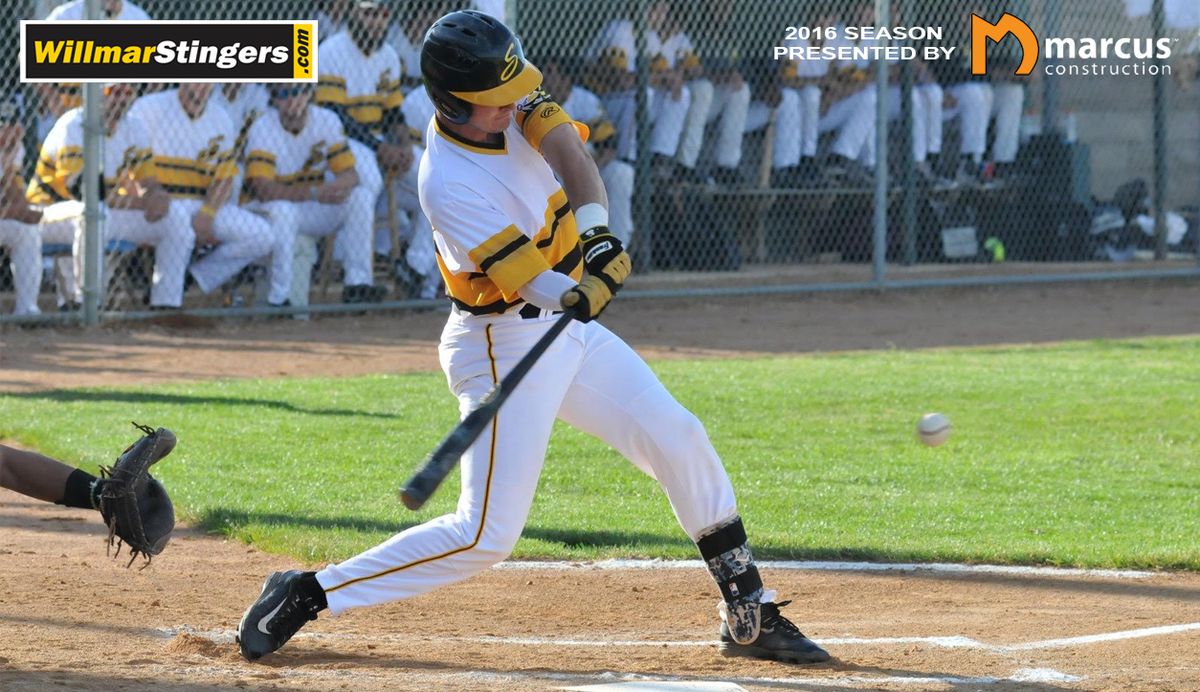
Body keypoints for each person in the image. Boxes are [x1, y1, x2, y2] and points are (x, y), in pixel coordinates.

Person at [236, 10, 831, 668]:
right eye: (498, 99)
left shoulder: (514, 97)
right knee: (483, 536)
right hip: (501, 342)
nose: (517, 102)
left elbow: (570, 153)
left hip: (565, 330)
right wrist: (583, 290)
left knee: (677, 434)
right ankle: (307, 592)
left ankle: (747, 611)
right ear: (455, 105)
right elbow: (526, 280)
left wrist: (598, 234)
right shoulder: (447, 182)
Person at [27, 84, 192, 310]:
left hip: (104, 211)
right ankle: (84, 303)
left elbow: (148, 181)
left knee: (177, 216)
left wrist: (158, 196)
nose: (121, 99)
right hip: (48, 213)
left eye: (127, 92)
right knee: (93, 212)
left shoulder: (135, 126)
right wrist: (141, 202)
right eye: (113, 92)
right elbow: (83, 192)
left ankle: (166, 304)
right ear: (95, 95)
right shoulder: (73, 124)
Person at [128, 84, 293, 307]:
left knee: (262, 236)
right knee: (178, 221)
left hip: (199, 204)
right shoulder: (149, 107)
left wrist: (208, 212)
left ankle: (193, 278)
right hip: (159, 203)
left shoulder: (220, 117)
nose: (202, 85)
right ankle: (165, 305)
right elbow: (127, 161)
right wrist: (148, 196)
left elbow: (224, 178)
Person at [243, 84, 372, 312]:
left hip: (314, 207)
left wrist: (336, 188)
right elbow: (262, 189)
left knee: (360, 196)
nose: (293, 100)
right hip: (273, 210)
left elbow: (350, 174)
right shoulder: (262, 127)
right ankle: (279, 298)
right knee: (284, 211)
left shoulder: (326, 120)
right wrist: (315, 193)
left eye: (299, 91)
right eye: (284, 93)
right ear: (273, 98)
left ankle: (357, 285)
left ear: (310, 93)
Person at [316, 0, 406, 302]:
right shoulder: (331, 50)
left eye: (382, 14)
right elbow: (334, 114)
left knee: (432, 174)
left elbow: (394, 113)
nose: (376, 21)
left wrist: (403, 145)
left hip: (378, 140)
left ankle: (419, 268)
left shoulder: (390, 56)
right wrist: (381, 147)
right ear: (353, 14)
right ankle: (358, 281)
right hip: (340, 141)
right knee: (366, 182)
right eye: (369, 13)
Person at [0, 94, 43, 316]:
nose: (10, 131)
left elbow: (17, 198)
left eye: (13, 124)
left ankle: (27, 308)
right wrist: (12, 211)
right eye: (3, 125)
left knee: (26, 230)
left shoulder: (14, 149)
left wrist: (6, 164)